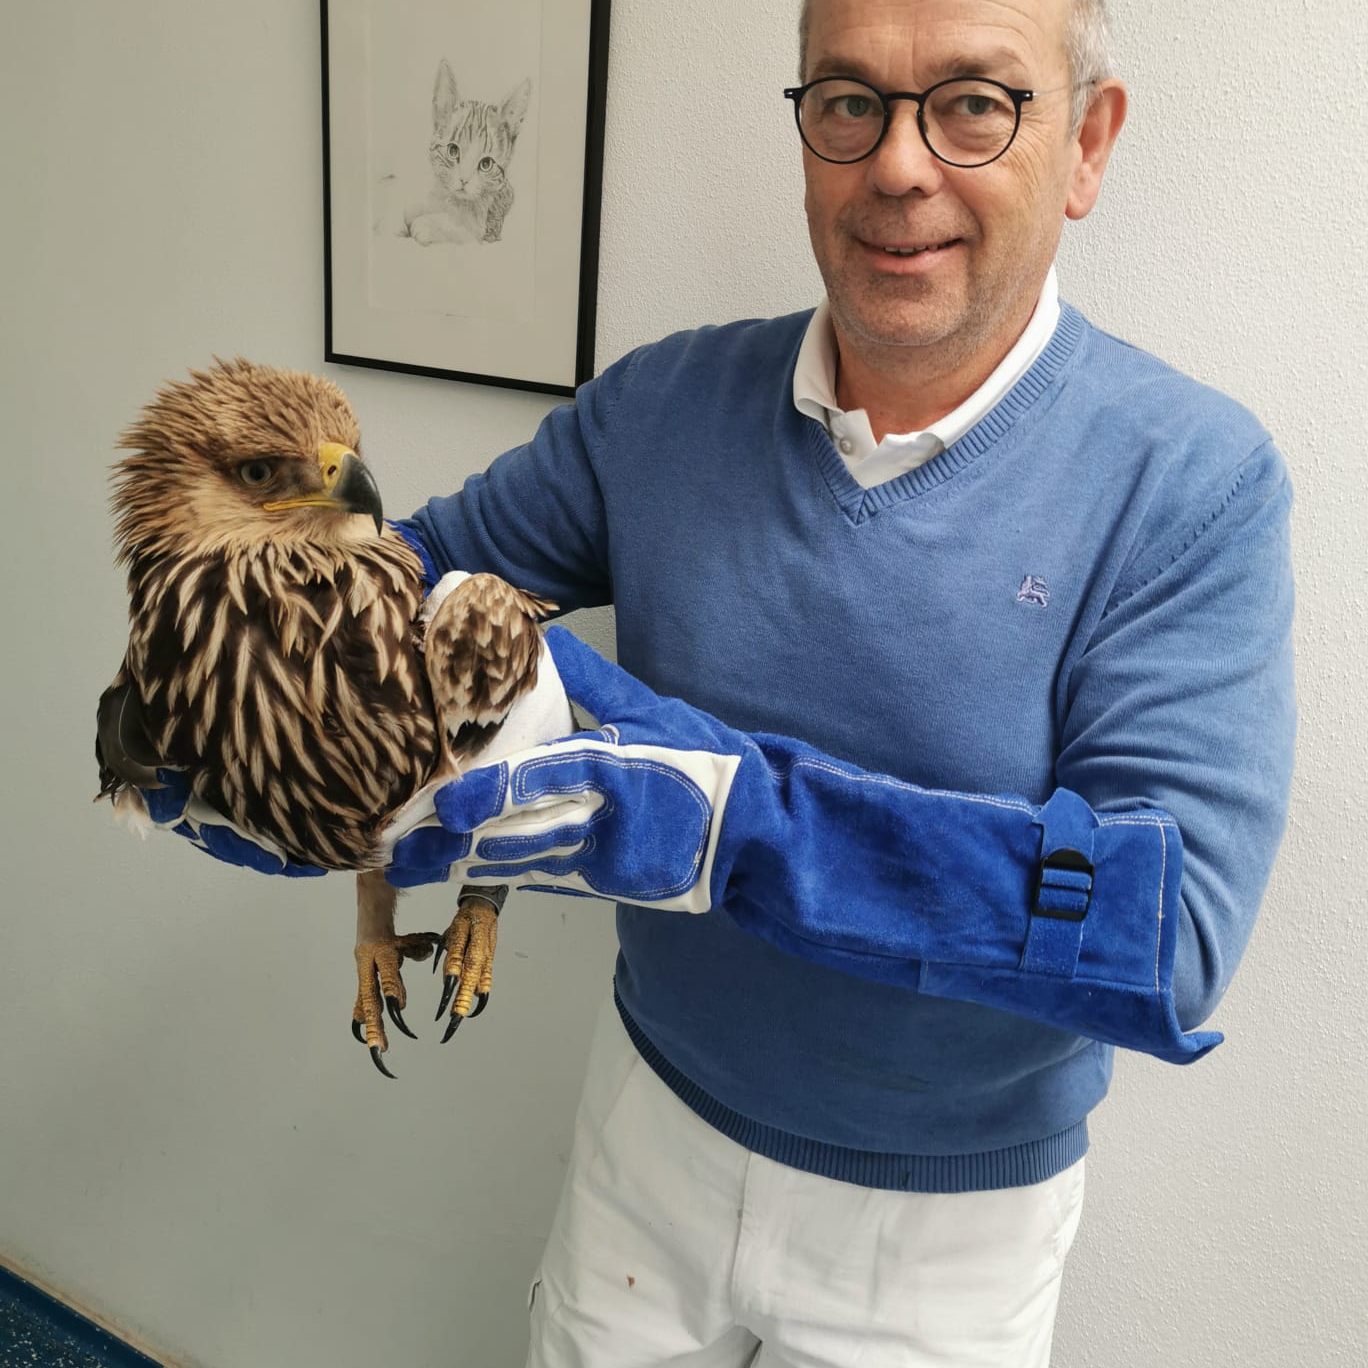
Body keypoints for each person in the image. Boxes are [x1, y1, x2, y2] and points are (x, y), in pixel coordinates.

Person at [178, 0, 1298, 1362]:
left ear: (1088, 145)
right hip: (648, 1124)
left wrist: (733, 829)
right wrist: (231, 672)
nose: (897, 165)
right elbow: (404, 583)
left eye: (974, 103)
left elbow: (1163, 936)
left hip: (947, 1230)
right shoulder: (656, 409)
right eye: (848, 101)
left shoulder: (1191, 482)